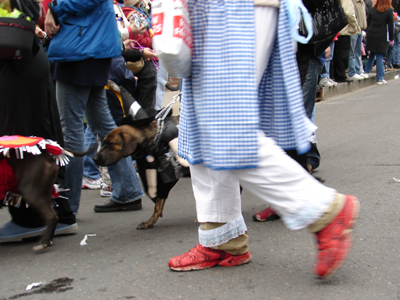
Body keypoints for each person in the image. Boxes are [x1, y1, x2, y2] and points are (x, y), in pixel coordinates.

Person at [168, 0, 360, 279]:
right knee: (202, 124)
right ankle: (222, 239)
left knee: (225, 126)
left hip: (236, 7)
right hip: (215, 8)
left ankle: (325, 210)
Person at [44, 0, 144, 214]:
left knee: (71, 131)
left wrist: (56, 8)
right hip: (91, 44)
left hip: (80, 46)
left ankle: (67, 208)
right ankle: (128, 190)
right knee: (101, 123)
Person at [0, 0, 77, 242]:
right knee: (38, 135)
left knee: (22, 140)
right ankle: (55, 214)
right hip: (22, 58)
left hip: (16, 62)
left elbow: (30, 10)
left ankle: (32, 217)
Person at [364, 0, 394, 84]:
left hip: (371, 33)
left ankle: (367, 71)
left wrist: (367, 32)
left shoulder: (373, 9)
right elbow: (391, 26)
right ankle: (380, 78)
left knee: (372, 53)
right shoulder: (389, 11)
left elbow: (368, 22)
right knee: (380, 56)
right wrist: (391, 39)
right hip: (381, 35)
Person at [332, 0, 362, 83]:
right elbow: (349, 12)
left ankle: (336, 74)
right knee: (343, 53)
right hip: (345, 28)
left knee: (337, 52)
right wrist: (355, 25)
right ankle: (341, 75)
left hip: (337, 28)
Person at [348, 0, 369, 80]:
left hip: (360, 29)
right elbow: (350, 14)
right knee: (352, 51)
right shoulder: (353, 2)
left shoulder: (362, 2)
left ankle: (358, 71)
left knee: (357, 52)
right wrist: (355, 25)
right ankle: (352, 72)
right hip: (354, 29)